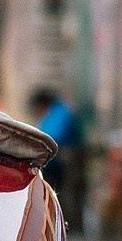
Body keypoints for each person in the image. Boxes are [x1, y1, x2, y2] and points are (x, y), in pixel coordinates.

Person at [32, 87, 84, 225]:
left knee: (63, 194)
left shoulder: (59, 113)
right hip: (57, 162)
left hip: (65, 162)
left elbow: (51, 137)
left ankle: (62, 223)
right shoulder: (56, 111)